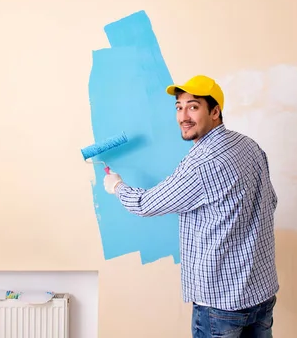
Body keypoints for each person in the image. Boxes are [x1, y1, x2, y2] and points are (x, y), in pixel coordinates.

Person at [103, 74, 279, 338]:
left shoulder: (202, 164)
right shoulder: (249, 145)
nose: (183, 116)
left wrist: (117, 186)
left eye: (193, 106)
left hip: (222, 305)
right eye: (179, 107)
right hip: (261, 294)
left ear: (215, 111)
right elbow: (271, 201)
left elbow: (145, 204)